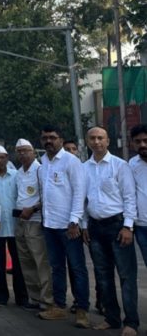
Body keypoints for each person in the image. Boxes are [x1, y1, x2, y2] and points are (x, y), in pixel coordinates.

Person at [83, 127, 138, 335]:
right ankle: (112, 318)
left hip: (117, 226)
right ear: (87, 141)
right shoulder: (84, 168)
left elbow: (129, 197)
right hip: (95, 228)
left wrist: (128, 226)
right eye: (93, 138)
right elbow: (84, 199)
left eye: (100, 138)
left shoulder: (120, 166)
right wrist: (84, 225)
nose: (96, 142)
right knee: (103, 276)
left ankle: (131, 322)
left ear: (108, 141)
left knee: (126, 276)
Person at [35, 125, 89, 328]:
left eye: (52, 137)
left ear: (61, 139)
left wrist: (75, 221)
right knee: (56, 267)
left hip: (69, 226)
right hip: (49, 224)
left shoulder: (71, 161)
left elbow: (79, 192)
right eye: (44, 138)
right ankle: (59, 306)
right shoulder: (43, 163)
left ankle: (82, 309)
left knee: (77, 268)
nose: (48, 141)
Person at [13, 138, 52, 310]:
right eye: (19, 151)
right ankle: (34, 298)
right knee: (26, 262)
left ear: (33, 152)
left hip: (35, 222)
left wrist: (34, 209)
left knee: (40, 262)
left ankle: (47, 299)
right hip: (21, 221)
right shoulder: (19, 171)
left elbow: (47, 196)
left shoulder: (40, 170)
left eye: (26, 150)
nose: (22, 154)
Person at [0, 145, 29, 306]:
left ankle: (22, 296)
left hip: (15, 225)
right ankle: (1, 295)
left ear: (7, 158)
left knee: (19, 263)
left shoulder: (16, 175)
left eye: (1, 157)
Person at [129, 124, 147, 267]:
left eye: (146, 140)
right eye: (138, 141)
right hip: (142, 226)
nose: (142, 145)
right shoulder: (132, 164)